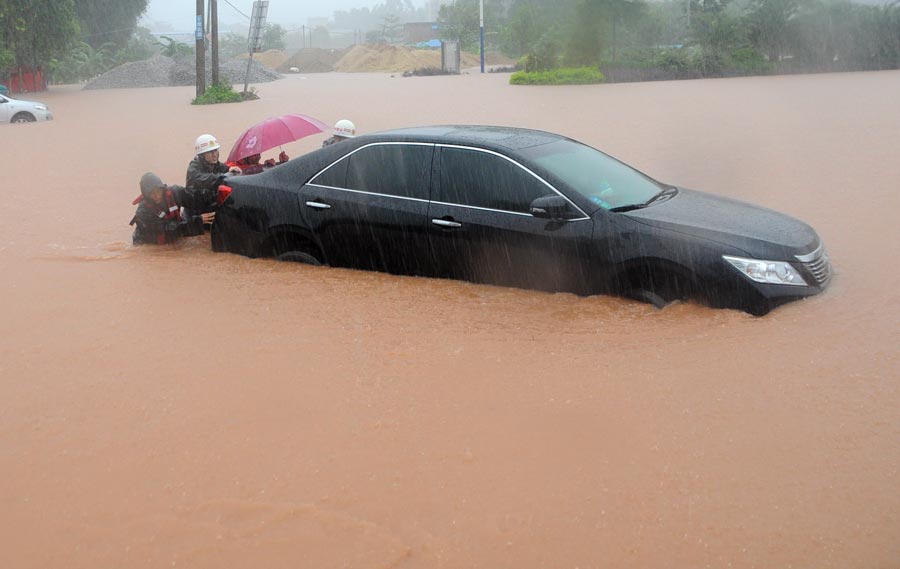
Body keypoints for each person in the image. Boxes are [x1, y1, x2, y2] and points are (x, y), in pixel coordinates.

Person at [130, 172, 211, 245]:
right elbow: (167, 230)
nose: (157, 196)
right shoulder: (143, 212)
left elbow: (195, 198)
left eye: (158, 191)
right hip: (149, 243)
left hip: (175, 231)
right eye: (152, 193)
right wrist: (197, 222)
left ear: (162, 188)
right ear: (146, 195)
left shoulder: (175, 192)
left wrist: (215, 196)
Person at [184, 134, 241, 216]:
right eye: (211, 152)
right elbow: (203, 179)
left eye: (216, 151)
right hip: (195, 213)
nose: (215, 155)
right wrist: (221, 177)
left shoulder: (215, 164)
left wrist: (231, 170)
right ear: (202, 155)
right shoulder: (194, 168)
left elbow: (224, 168)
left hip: (210, 207)